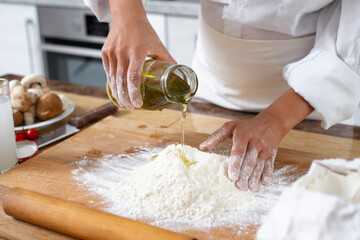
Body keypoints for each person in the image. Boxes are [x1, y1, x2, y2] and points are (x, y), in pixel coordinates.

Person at [85, 0, 360, 192]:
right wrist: (126, 13)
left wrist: (276, 119)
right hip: (209, 86)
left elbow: (351, 40)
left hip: (310, 101)